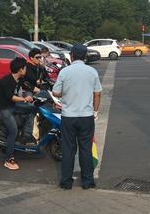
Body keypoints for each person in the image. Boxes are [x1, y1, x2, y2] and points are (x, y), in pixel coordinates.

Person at [53, 44, 102, 190]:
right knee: (86, 149)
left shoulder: (65, 71)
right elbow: (98, 93)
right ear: (85, 56)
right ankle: (87, 181)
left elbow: (56, 93)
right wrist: (95, 111)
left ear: (72, 55)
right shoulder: (92, 71)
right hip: (86, 116)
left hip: (69, 116)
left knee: (68, 149)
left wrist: (66, 93)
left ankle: (66, 182)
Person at [0, 57, 34, 170]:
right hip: (4, 109)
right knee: (13, 131)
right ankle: (8, 159)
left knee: (31, 109)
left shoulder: (19, 79)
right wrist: (25, 99)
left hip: (12, 107)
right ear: (20, 69)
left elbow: (30, 87)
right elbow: (11, 97)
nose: (26, 70)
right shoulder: (6, 80)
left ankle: (26, 137)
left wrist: (46, 93)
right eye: (25, 68)